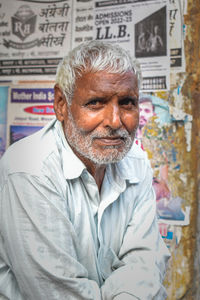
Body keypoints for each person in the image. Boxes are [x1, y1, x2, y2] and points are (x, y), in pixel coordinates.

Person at [0, 41, 170, 300]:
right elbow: (57, 292)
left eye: (127, 103)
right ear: (61, 105)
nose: (115, 121)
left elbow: (144, 262)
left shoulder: (135, 161)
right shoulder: (30, 169)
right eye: (95, 103)